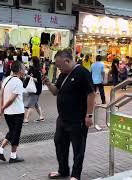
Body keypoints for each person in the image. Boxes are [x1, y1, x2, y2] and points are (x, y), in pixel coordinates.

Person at [42, 49, 95, 180]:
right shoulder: (63, 75)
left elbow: (91, 94)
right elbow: (56, 91)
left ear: (67, 61)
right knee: (59, 143)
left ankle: (75, 175)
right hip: (63, 119)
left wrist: (89, 115)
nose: (58, 68)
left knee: (78, 148)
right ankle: (63, 170)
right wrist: (48, 83)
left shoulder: (83, 73)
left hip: (78, 119)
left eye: (59, 65)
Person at [0, 61, 26, 163]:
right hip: (17, 112)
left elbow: (1, 96)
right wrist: (2, 108)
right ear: (20, 70)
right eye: (24, 68)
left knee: (12, 131)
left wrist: (0, 109)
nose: (25, 71)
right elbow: (12, 99)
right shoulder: (18, 82)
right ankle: (13, 156)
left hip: (8, 113)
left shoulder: (6, 79)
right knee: (15, 133)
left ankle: (0, 150)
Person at [23, 57, 44, 124]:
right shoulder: (31, 69)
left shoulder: (38, 70)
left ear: (34, 62)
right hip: (31, 89)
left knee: (31, 105)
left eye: (31, 61)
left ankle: (26, 119)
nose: (30, 62)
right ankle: (41, 117)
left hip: (36, 90)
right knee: (35, 104)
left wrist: (30, 77)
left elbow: (39, 81)